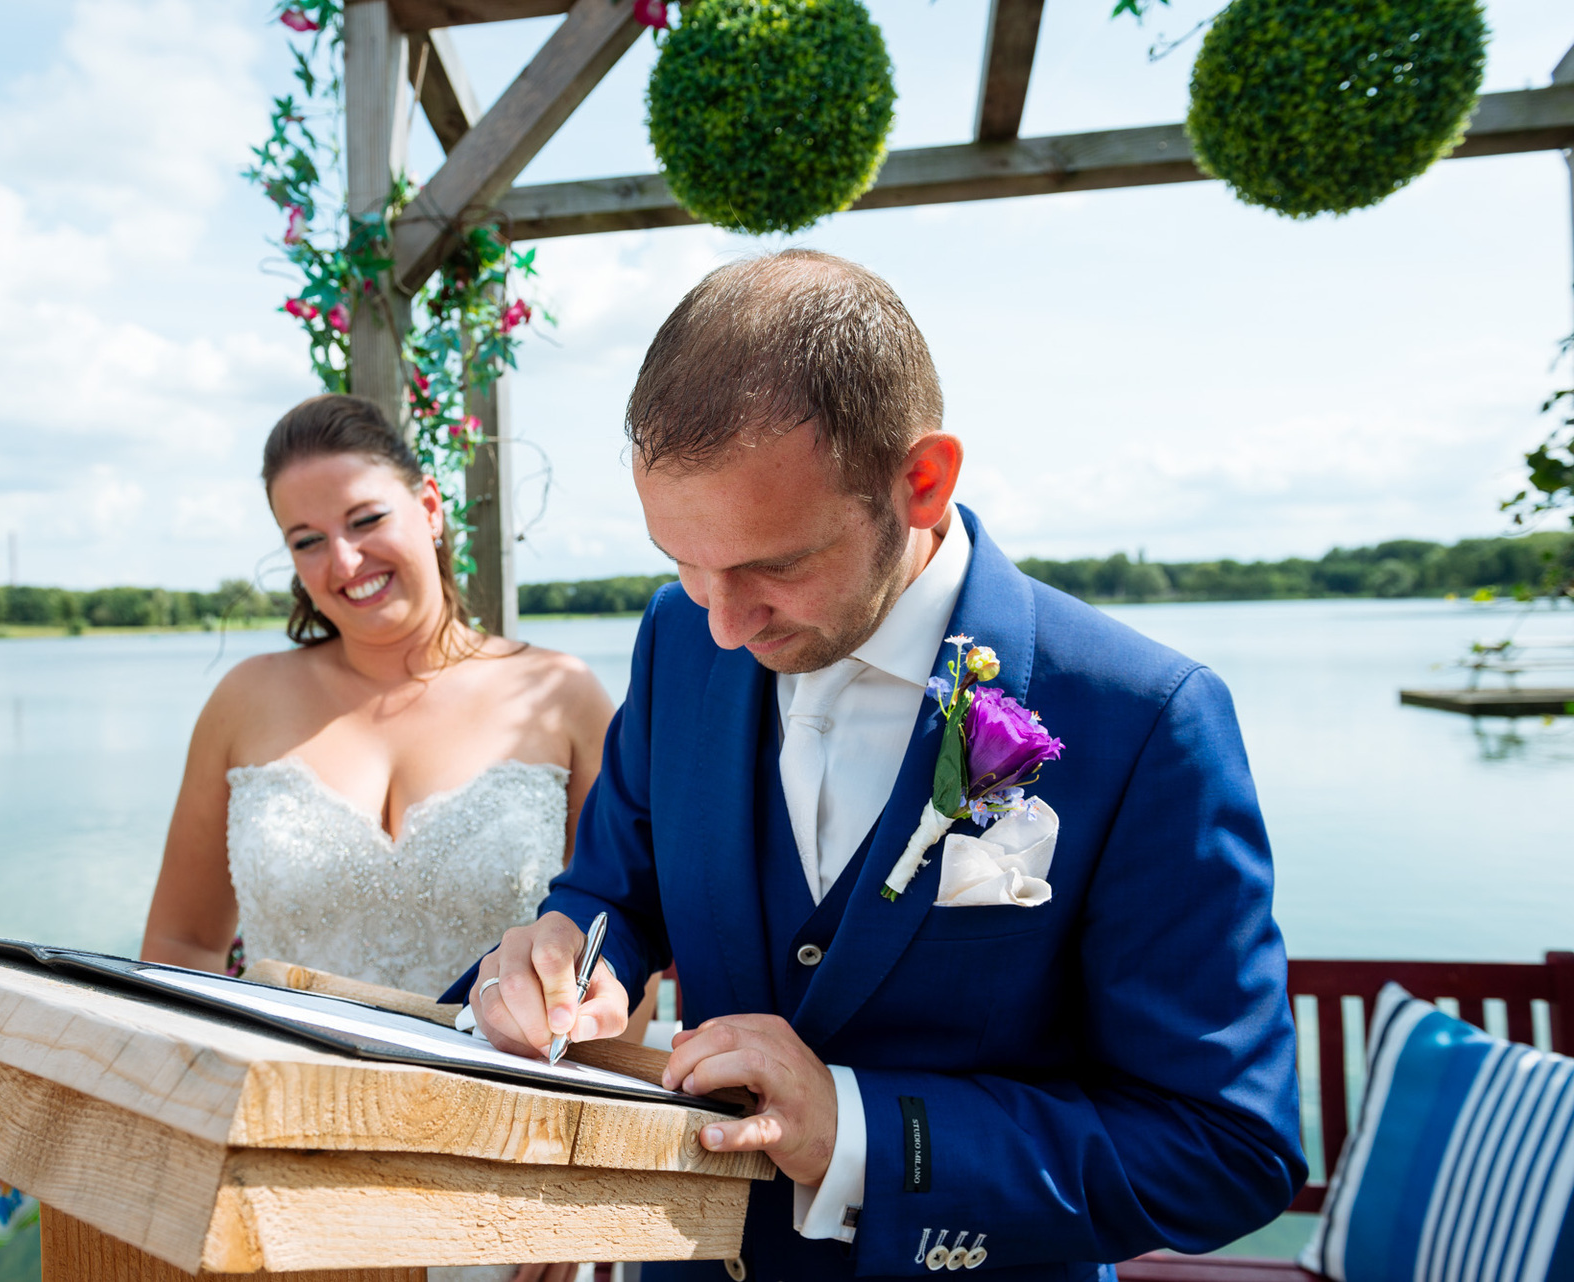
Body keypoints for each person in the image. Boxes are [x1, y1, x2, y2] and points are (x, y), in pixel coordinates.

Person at [456, 250, 1306, 1282]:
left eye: (774, 565)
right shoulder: (679, 639)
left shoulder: (1145, 718)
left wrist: (863, 1132)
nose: (724, 622)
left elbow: (1225, 1148)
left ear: (922, 481)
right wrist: (571, 960)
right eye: (682, 560)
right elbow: (614, 894)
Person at [139, 392, 617, 1006]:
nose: (344, 559)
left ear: (429, 507)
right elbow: (183, 944)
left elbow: (616, 939)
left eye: (365, 521)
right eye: (307, 540)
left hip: (504, 1095)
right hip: (279, 1087)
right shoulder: (244, 700)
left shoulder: (560, 695)